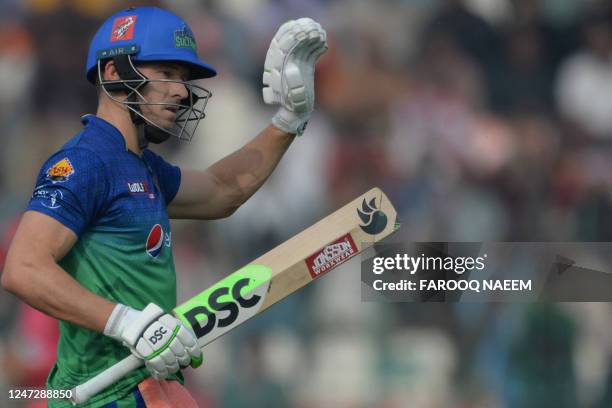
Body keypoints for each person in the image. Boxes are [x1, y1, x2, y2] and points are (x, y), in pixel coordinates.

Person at [1, 6, 327, 408]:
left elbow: (223, 189)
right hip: (101, 397)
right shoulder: (86, 162)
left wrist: (288, 120)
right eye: (167, 74)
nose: (181, 91)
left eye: (184, 79)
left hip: (149, 389)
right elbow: (23, 268)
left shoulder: (142, 167)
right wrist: (127, 323)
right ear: (114, 73)